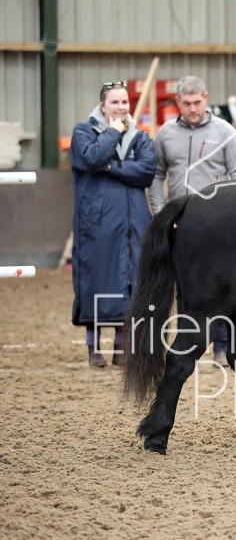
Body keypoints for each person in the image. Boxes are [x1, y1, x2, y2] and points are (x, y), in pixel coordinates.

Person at [150, 75, 236, 366]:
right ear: (177, 102)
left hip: (217, 226)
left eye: (197, 102)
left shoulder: (226, 132)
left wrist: (228, 219)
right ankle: (187, 344)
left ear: (206, 98)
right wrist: (160, 214)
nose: (193, 108)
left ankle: (221, 347)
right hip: (178, 225)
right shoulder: (165, 134)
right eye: (187, 103)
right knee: (184, 286)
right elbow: (156, 175)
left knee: (220, 285)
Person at [69, 80, 156, 368]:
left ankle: (121, 347)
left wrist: (111, 167)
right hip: (96, 223)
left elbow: (146, 172)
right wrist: (113, 132)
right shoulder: (84, 132)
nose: (121, 107)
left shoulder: (140, 137)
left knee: (128, 284)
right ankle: (93, 349)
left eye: (124, 102)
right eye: (115, 102)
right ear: (102, 105)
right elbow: (93, 158)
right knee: (96, 281)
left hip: (133, 224)